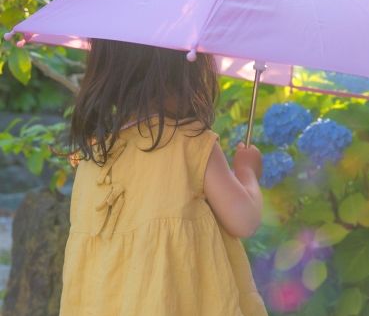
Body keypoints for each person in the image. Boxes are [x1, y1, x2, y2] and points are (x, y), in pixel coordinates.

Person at [60, 39, 267, 315]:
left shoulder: (93, 157)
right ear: (184, 73)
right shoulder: (188, 142)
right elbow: (244, 220)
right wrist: (247, 171)